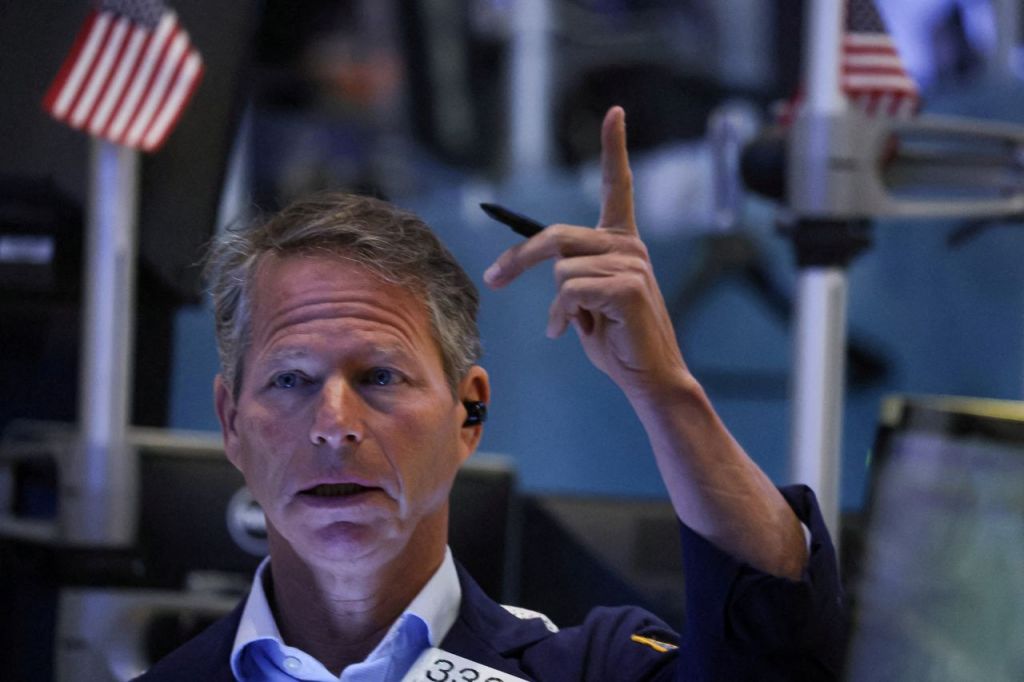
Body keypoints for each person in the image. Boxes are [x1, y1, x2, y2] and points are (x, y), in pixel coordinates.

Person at [136, 107, 845, 681]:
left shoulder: (588, 672)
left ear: (468, 414)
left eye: (380, 376)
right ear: (231, 423)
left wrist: (663, 388)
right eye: (290, 380)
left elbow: (775, 657)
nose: (334, 423)